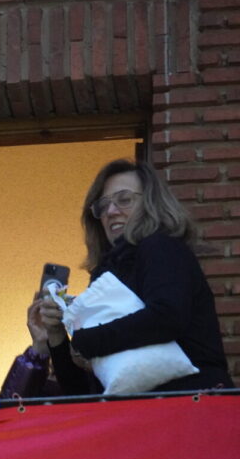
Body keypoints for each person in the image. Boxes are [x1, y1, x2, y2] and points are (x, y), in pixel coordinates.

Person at [37, 159, 234, 394]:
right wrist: (57, 335)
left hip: (191, 404)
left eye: (125, 199)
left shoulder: (160, 247)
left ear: (151, 203)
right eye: (102, 206)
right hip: (140, 415)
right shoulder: (104, 276)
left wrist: (86, 341)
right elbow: (81, 389)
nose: (111, 211)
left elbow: (166, 316)